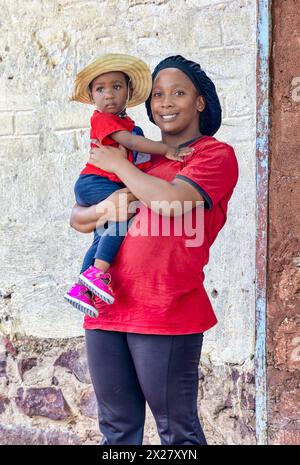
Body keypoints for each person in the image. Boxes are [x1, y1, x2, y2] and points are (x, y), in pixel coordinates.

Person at [69, 55, 239, 445]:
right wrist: (102, 207)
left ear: (199, 102)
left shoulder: (213, 155)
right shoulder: (139, 160)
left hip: (166, 311)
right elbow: (78, 220)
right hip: (105, 308)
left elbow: (170, 201)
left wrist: (119, 166)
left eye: (178, 93)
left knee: (176, 433)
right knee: (117, 432)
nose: (165, 102)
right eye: (158, 94)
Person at [65, 54, 192, 316]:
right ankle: (98, 272)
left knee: (102, 234)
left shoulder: (132, 128)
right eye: (100, 89)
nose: (109, 95)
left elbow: (139, 159)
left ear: (129, 92)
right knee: (124, 214)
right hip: (95, 182)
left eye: (117, 87)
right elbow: (131, 145)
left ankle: (82, 286)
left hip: (103, 184)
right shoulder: (103, 120)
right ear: (92, 97)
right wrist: (166, 149)